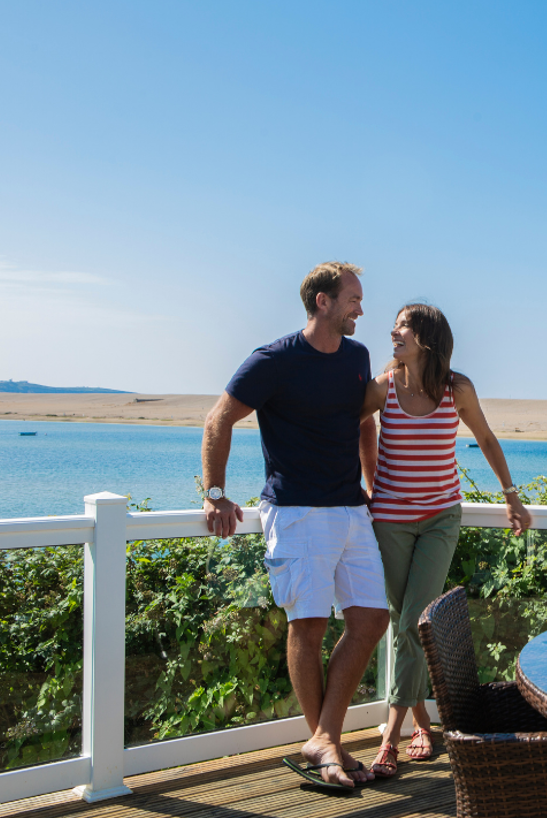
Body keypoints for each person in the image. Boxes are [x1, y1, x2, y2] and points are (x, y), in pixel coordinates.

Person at [202, 261, 390, 790]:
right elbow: (219, 419)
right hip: (297, 512)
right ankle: (327, 745)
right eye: (353, 298)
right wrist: (215, 494)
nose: (361, 309)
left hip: (351, 511)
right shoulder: (274, 360)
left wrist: (372, 491)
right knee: (307, 626)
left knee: (371, 619)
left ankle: (323, 738)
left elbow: (363, 424)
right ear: (322, 302)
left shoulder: (356, 357)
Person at [362, 303, 531, 778]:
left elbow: (487, 438)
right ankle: (422, 724)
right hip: (390, 518)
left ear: (427, 338)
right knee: (403, 621)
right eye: (395, 326)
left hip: (440, 518)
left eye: (403, 327)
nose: (393, 332)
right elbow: (355, 423)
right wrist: (370, 483)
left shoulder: (457, 389)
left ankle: (388, 740)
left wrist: (512, 496)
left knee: (416, 618)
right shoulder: (384, 386)